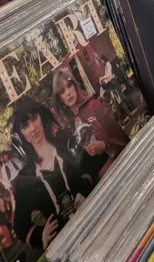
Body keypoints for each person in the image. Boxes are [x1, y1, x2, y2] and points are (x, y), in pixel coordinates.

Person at [10, 97, 99, 251]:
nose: (32, 128)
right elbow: (20, 227)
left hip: (94, 218)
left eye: (34, 118)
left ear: (41, 116)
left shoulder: (65, 144)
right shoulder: (26, 179)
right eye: (25, 125)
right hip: (66, 246)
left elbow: (90, 165)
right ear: (21, 133)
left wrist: (84, 190)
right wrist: (41, 236)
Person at [52, 69, 129, 177]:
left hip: (121, 169)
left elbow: (121, 139)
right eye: (62, 91)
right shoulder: (69, 127)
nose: (68, 92)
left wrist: (104, 146)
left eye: (69, 85)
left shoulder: (93, 106)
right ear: (60, 98)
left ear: (75, 86)